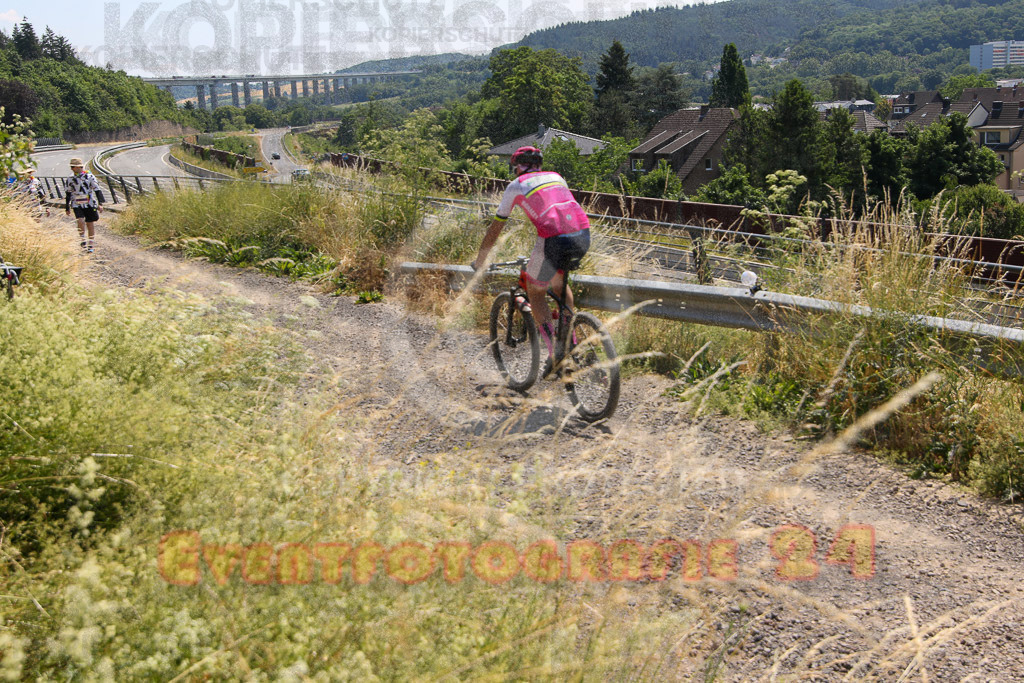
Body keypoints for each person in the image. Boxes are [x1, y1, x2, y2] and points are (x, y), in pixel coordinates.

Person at [472, 146, 591, 375]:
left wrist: (480, 261)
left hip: (552, 240)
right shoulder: (557, 177)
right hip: (582, 235)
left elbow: (496, 228)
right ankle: (571, 341)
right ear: (539, 164)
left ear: (517, 166)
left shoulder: (516, 186)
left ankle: (555, 351)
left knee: (535, 291)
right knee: (558, 284)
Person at [64, 158, 105, 253]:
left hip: (89, 203)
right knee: (80, 220)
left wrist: (100, 203)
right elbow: (68, 193)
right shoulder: (70, 179)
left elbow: (97, 190)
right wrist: (67, 207)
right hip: (77, 203)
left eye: (74, 167)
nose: (73, 169)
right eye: (72, 167)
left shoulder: (89, 176)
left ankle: (91, 243)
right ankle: (82, 239)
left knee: (90, 223)